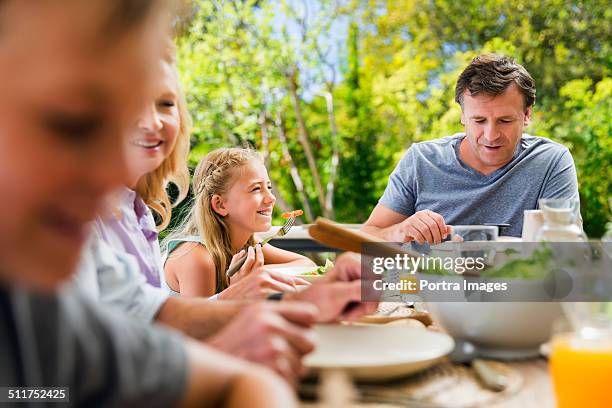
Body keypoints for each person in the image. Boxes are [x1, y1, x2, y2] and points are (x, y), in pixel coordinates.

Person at [0, 1, 297, 406]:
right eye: (70, 123)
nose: (112, 188)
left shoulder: (35, 296)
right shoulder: (196, 257)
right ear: (218, 205)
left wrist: (315, 302)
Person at [363, 54, 579, 242]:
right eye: (479, 120)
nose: (491, 135)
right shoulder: (421, 161)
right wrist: (398, 231)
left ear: (527, 115)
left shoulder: (550, 161)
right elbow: (368, 235)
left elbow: (567, 248)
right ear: (463, 115)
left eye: (504, 121)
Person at [163, 147, 316, 298]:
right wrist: (237, 289)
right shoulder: (197, 259)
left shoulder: (248, 243)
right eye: (256, 189)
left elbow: (306, 264)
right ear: (220, 205)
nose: (271, 198)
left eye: (268, 187)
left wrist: (260, 274)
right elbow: (201, 322)